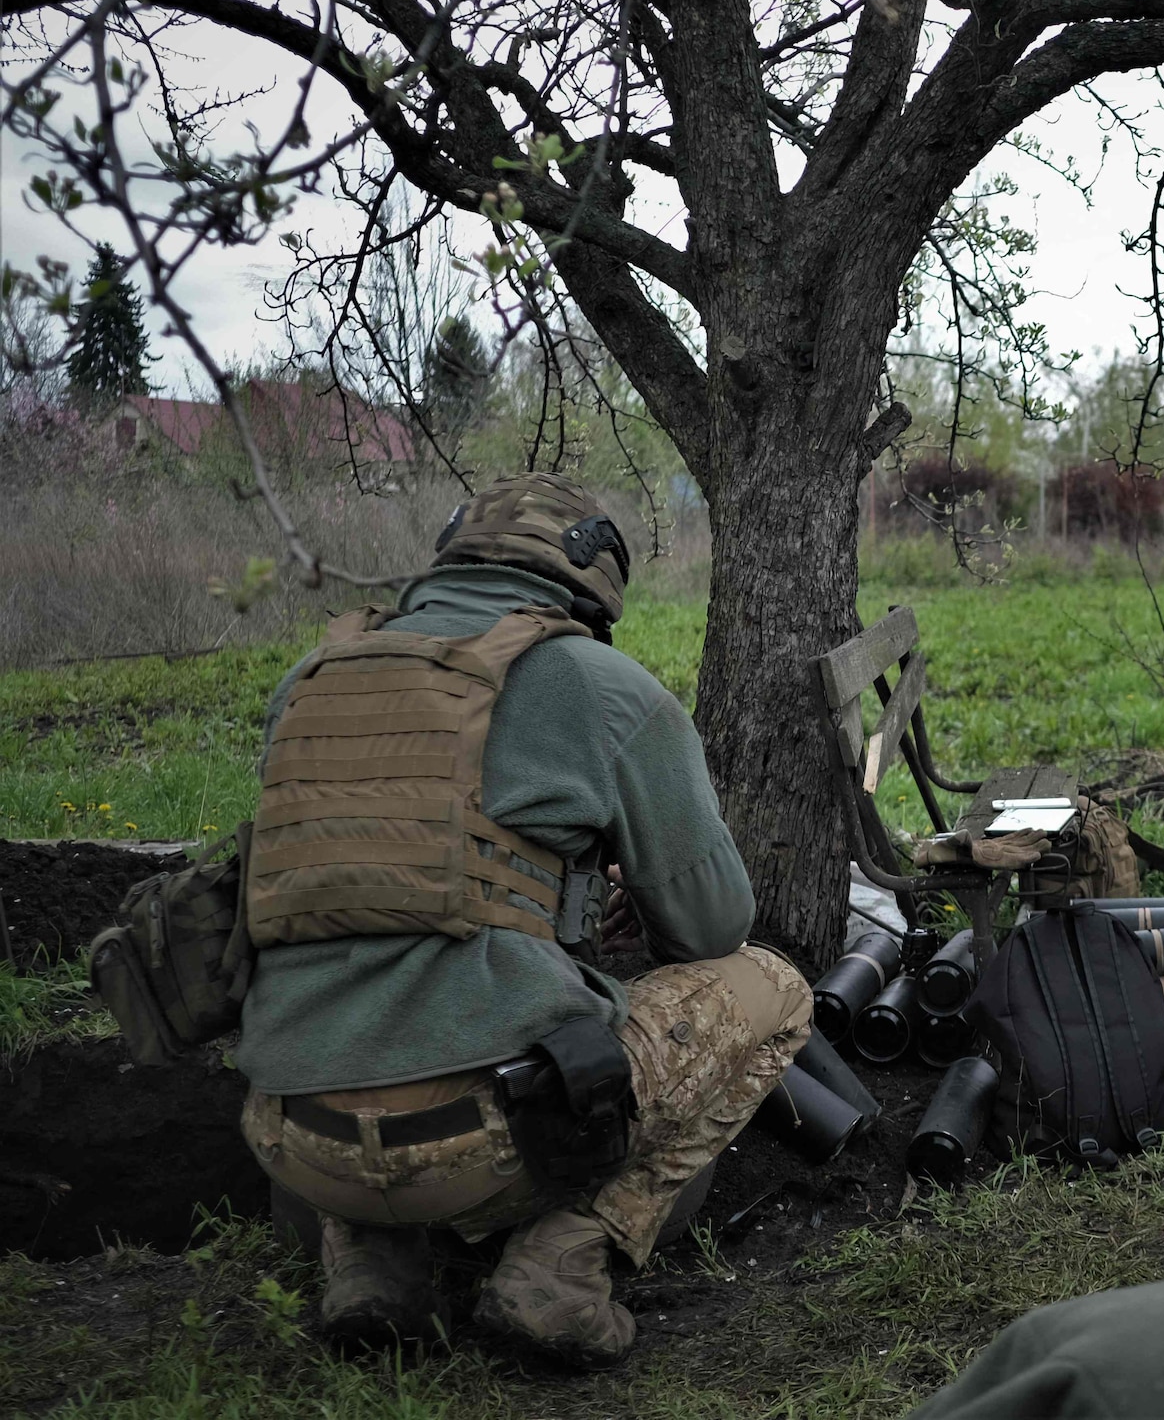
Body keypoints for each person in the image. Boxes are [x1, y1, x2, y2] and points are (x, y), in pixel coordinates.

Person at [233, 473, 809, 1369]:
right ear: (586, 590)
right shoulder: (600, 682)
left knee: (358, 1002)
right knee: (776, 986)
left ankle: (371, 1263)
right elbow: (711, 924)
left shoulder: (308, 679)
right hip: (489, 1139)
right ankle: (564, 1262)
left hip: (293, 1132)